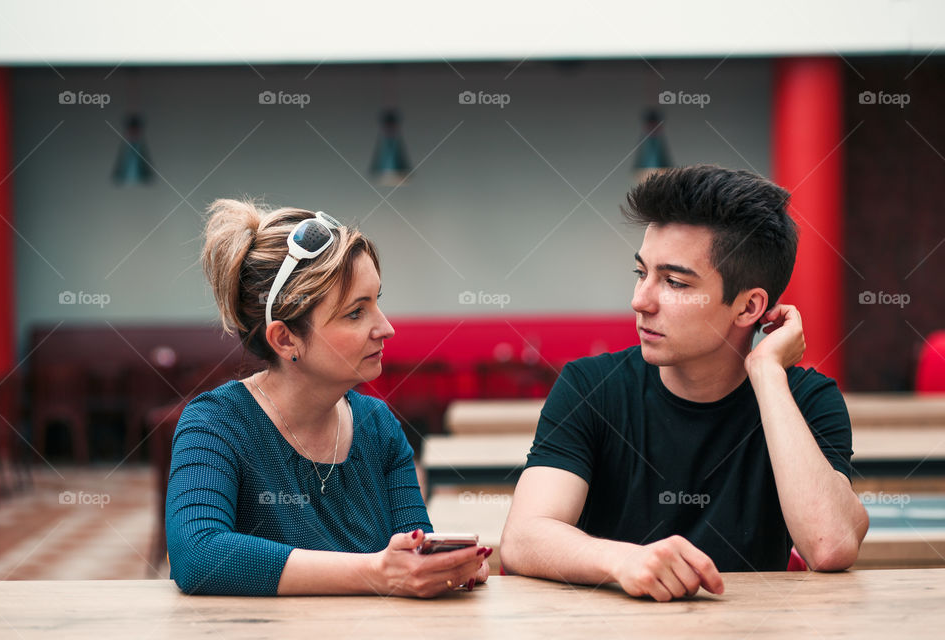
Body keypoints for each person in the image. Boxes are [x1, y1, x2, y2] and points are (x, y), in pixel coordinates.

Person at [500, 165, 869, 601]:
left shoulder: (806, 400)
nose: (640, 301)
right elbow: (523, 536)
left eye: (674, 282)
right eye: (642, 273)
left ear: (749, 307)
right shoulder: (591, 386)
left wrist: (767, 373)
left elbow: (830, 547)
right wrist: (623, 561)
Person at [166, 199, 491, 596]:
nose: (385, 328)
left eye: (377, 301)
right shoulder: (217, 423)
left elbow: (411, 553)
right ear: (286, 339)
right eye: (356, 312)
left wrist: (443, 567)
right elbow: (198, 555)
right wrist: (376, 573)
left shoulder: (378, 424)